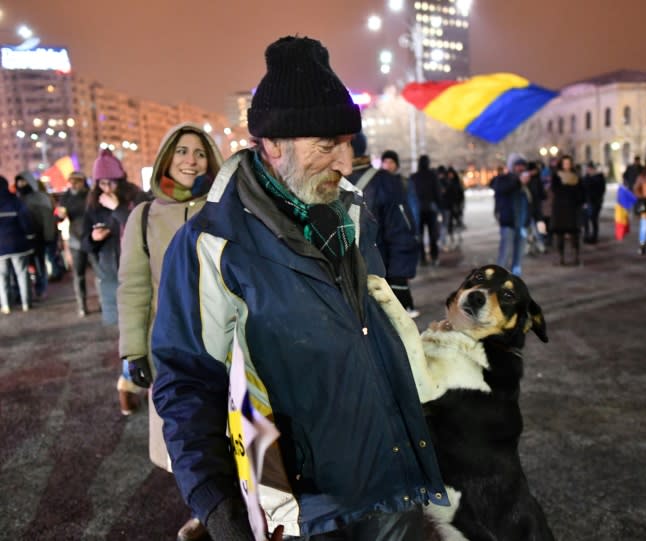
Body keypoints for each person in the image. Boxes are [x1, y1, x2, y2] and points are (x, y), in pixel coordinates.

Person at [150, 36, 446, 541]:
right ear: (271, 144)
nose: (344, 162)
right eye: (326, 146)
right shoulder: (211, 244)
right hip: (305, 510)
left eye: (348, 142)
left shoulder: (351, 213)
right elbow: (186, 382)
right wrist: (218, 503)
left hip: (392, 483)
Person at [116, 123, 223, 540]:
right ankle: (203, 510)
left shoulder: (223, 209)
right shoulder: (143, 216)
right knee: (185, 434)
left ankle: (231, 508)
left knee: (228, 425)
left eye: (199, 152)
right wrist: (132, 351)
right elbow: (134, 288)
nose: (190, 160)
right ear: (166, 157)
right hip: (169, 345)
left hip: (222, 338)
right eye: (182, 151)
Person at [348, 133, 420, 318]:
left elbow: (401, 230)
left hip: (377, 278)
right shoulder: (325, 179)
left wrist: (398, 279)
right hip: (346, 282)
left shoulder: (383, 181)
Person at [82, 149, 144, 326]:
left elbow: (142, 228)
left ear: (120, 181)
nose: (107, 189)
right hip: (109, 275)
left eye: (111, 183)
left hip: (136, 273)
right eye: (102, 184)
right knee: (119, 328)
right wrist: (94, 238)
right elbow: (84, 244)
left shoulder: (136, 197)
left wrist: (118, 208)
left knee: (140, 324)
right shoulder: (94, 204)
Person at [14, 171, 57, 299]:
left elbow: (47, 219)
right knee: (25, 267)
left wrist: (49, 236)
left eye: (23, 181)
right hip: (23, 238)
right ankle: (25, 293)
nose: (21, 184)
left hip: (38, 236)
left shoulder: (40, 198)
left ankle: (41, 288)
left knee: (39, 264)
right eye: (19, 182)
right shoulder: (18, 199)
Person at [57, 171, 92, 316]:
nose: (73, 184)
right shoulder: (65, 197)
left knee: (99, 273)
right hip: (75, 239)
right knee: (78, 274)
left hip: (92, 237)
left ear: (83, 181)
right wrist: (60, 216)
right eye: (71, 181)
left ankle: (105, 302)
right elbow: (60, 217)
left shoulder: (91, 195)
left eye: (76, 181)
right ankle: (82, 305)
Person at [491, 155, 531, 275]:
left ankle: (515, 277)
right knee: (505, 251)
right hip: (508, 221)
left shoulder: (527, 184)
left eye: (523, 167)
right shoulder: (505, 179)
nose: (520, 169)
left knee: (518, 254)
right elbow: (501, 189)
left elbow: (534, 201)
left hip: (523, 223)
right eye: (518, 166)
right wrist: (519, 182)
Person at [0, 175, 34, 314]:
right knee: (22, 274)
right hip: (18, 244)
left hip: (0, 248)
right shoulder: (15, 200)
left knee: (2, 277)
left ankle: (6, 304)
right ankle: (26, 303)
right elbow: (25, 220)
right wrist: (30, 236)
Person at [549, 155, 585, 265]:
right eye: (565, 163)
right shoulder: (556, 176)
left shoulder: (576, 176)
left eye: (568, 163)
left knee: (575, 234)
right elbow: (556, 190)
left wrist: (578, 200)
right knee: (560, 234)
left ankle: (576, 257)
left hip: (573, 208)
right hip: (560, 209)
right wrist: (569, 189)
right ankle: (561, 257)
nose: (567, 165)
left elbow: (581, 192)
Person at [409, 154, 442, 266]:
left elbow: (410, 194)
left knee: (420, 235)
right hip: (431, 209)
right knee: (433, 234)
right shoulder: (433, 176)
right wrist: (439, 207)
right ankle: (434, 256)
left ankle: (422, 258)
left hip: (417, 210)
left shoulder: (414, 177)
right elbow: (438, 193)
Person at [581, 161, 606, 244]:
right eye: (588, 169)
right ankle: (587, 235)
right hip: (586, 201)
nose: (589, 170)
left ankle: (594, 236)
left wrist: (598, 200)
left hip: (595, 202)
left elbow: (601, 190)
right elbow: (582, 189)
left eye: (590, 169)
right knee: (585, 219)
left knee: (593, 219)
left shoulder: (599, 178)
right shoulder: (585, 178)